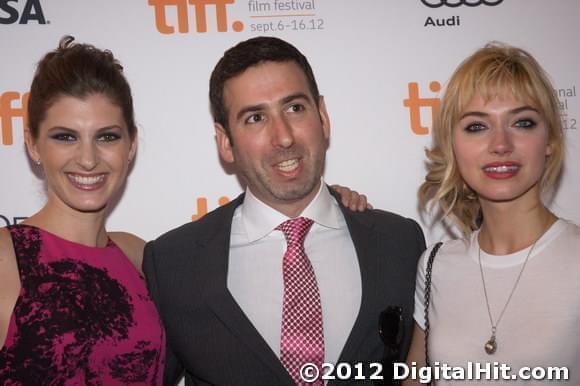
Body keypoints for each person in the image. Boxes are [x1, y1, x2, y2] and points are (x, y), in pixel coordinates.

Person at [143, 36, 426, 386]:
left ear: (322, 116)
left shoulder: (400, 243)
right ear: (225, 142)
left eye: (294, 108)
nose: (284, 137)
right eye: (255, 117)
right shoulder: (173, 263)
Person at [405, 43, 580, 384]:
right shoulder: (435, 265)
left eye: (523, 122)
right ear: (452, 145)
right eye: (476, 126)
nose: (501, 143)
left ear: (550, 142)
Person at [0, 36, 165, 385]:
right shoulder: (6, 256)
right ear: (33, 144)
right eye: (65, 136)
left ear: (131, 145)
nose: (88, 160)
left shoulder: (138, 255)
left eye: (107, 137)